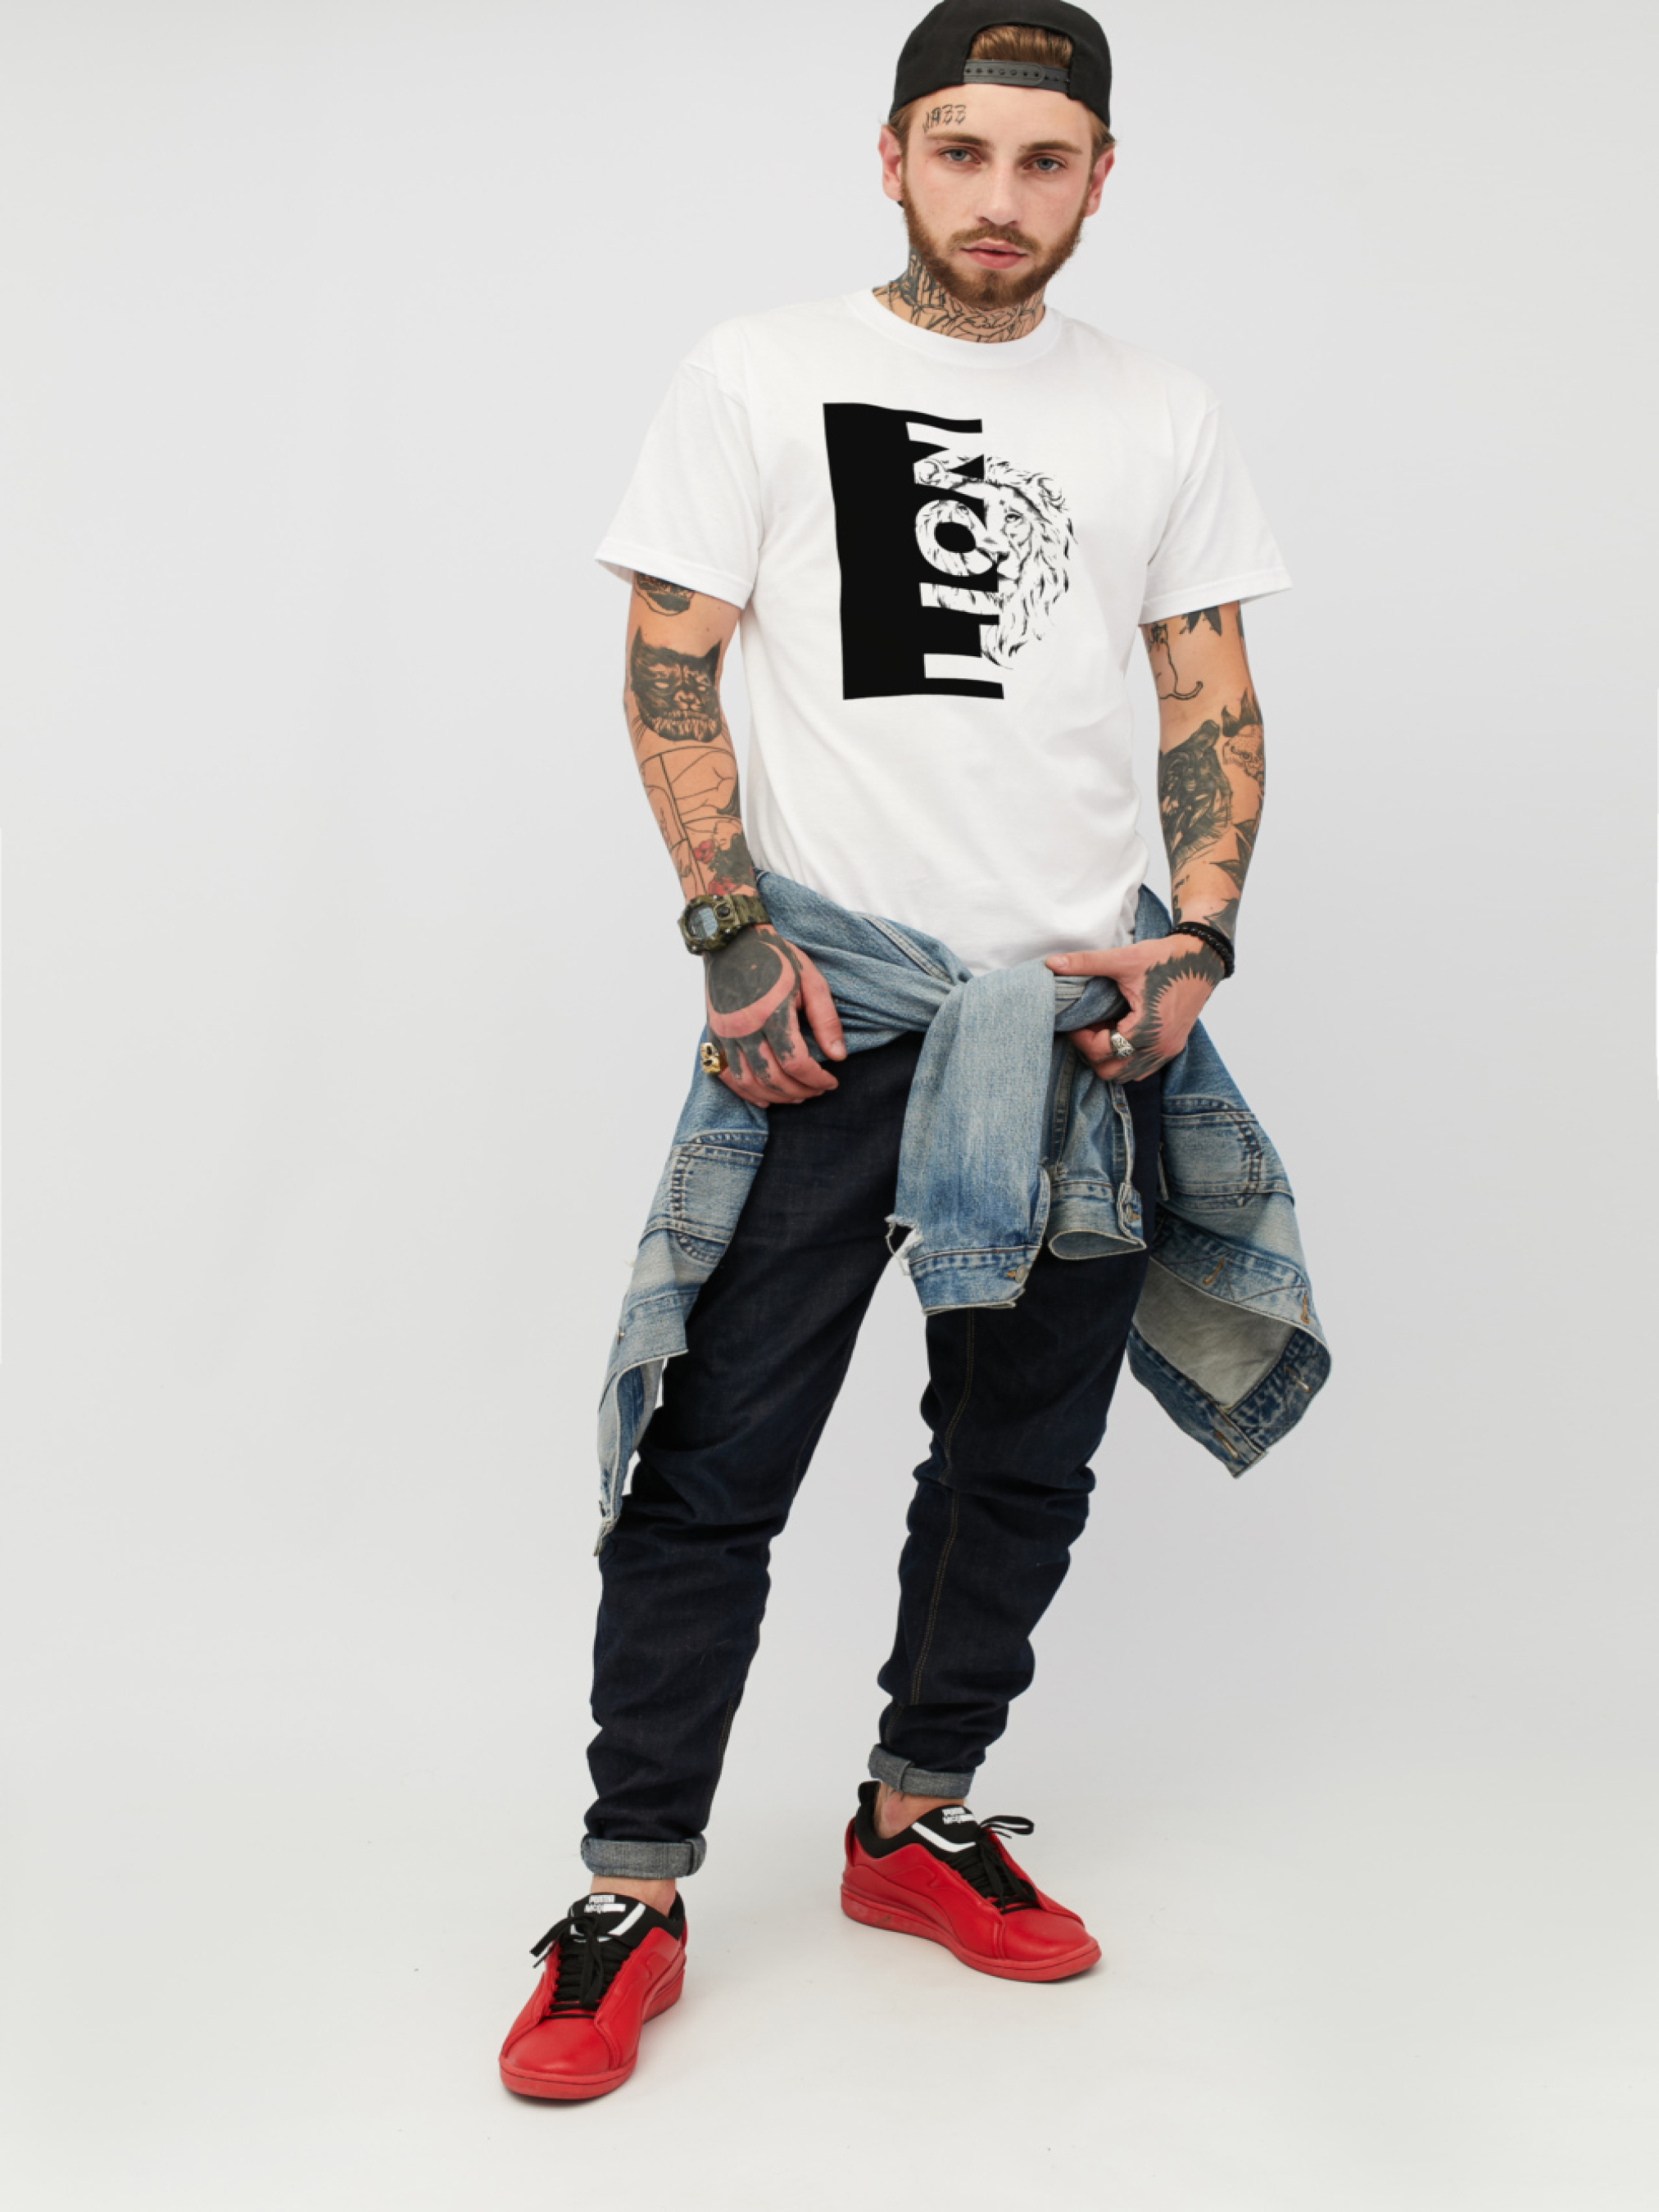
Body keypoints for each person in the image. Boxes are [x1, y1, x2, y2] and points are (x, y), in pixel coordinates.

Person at [499, 0, 1326, 2102]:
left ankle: (911, 1818)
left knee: (1017, 1460)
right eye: (960, 152)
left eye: (1043, 161)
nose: (998, 197)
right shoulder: (758, 372)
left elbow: (1206, 697)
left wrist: (1197, 941)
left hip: (1072, 1027)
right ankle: (627, 1890)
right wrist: (726, 932)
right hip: (826, 1009)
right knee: (713, 1459)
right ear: (891, 158)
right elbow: (667, 664)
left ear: (1099, 178)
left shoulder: (1159, 412)